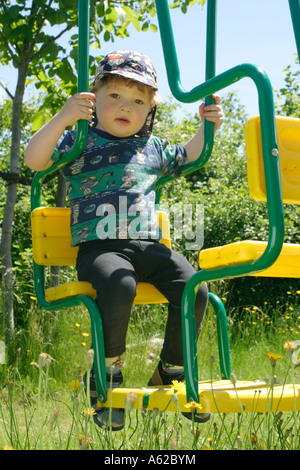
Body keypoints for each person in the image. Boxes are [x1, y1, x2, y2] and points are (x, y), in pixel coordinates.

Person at [25, 50, 224, 430]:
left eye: (137, 101)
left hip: (149, 246)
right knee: (120, 285)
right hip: (101, 248)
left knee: (196, 289)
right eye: (114, 96)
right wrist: (65, 115)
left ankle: (172, 371)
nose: (124, 107)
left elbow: (192, 155)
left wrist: (207, 125)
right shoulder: (80, 139)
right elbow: (35, 159)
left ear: (149, 109)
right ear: (94, 101)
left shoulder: (154, 148)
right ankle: (107, 371)